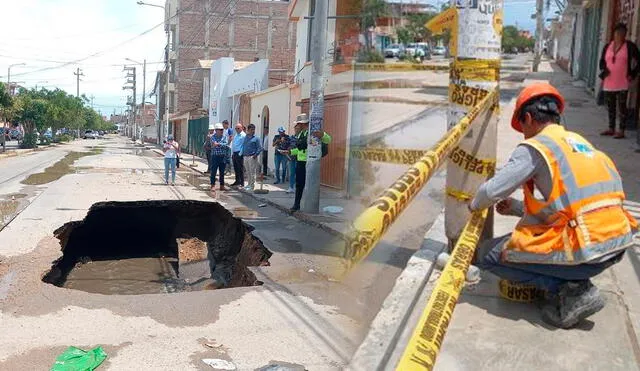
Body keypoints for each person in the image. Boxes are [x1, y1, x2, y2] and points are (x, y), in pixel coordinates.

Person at [468, 83, 638, 329]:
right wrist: (517, 208)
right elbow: (572, 207)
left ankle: (574, 290)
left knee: (489, 254)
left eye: (522, 127)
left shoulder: (537, 146)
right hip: (617, 244)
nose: (524, 134)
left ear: (527, 118)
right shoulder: (580, 143)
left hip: (588, 252)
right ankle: (571, 281)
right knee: (530, 244)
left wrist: (472, 206)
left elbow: (491, 191)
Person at [598, 23, 640, 139]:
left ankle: (621, 130)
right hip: (609, 81)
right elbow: (602, 61)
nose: (620, 35)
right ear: (614, 33)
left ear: (625, 34)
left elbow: (638, 61)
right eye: (618, 32)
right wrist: (604, 69)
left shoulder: (629, 46)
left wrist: (632, 74)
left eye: (622, 33)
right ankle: (611, 128)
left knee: (622, 107)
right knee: (610, 106)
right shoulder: (608, 46)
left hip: (622, 82)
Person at [290, 113, 332, 212]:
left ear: (302, 124)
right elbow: (301, 149)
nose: (296, 126)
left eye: (298, 124)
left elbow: (328, 139)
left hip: (310, 162)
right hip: (300, 162)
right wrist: (291, 152)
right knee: (299, 185)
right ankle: (296, 205)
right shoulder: (301, 134)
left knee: (310, 185)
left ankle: (309, 206)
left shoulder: (313, 132)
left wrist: (323, 135)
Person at [240, 124, 262, 191]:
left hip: (252, 157)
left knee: (252, 172)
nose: (253, 131)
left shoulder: (256, 138)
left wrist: (255, 155)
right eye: (251, 129)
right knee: (248, 171)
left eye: (254, 129)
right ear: (248, 130)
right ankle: (249, 184)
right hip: (245, 156)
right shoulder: (245, 137)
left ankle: (252, 186)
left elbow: (260, 148)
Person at [209, 123, 229, 192]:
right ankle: (212, 185)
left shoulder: (224, 137)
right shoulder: (212, 137)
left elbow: (226, 145)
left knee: (222, 172)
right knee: (213, 171)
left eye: (222, 130)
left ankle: (222, 185)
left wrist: (218, 144)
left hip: (222, 156)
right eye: (220, 130)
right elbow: (213, 145)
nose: (221, 131)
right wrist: (221, 144)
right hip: (215, 156)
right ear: (216, 130)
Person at [285, 124, 300, 194]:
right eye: (296, 128)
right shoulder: (291, 138)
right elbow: (287, 146)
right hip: (291, 158)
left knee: (298, 174)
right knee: (292, 173)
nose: (297, 130)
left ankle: (298, 188)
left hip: (299, 158)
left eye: (298, 128)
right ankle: (291, 187)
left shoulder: (301, 137)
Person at [230, 123, 246, 187]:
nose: (237, 129)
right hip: (234, 153)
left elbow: (243, 145)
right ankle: (237, 181)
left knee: (240, 168)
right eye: (236, 128)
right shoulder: (236, 134)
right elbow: (234, 144)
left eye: (238, 128)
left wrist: (240, 153)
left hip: (239, 153)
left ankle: (242, 182)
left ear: (242, 128)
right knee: (236, 168)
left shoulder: (243, 135)